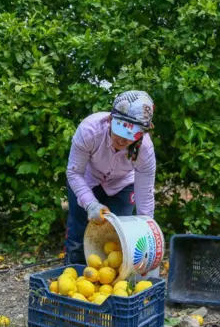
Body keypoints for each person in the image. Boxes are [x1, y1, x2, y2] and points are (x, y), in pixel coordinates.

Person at [64, 90, 157, 265]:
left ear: (143, 133)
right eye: (119, 130)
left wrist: (147, 229)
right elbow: (74, 172)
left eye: (131, 135)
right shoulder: (89, 130)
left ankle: (112, 283)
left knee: (119, 238)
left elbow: (145, 194)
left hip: (122, 184)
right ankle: (72, 272)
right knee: (78, 231)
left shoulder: (145, 150)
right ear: (110, 119)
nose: (122, 140)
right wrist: (90, 204)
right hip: (86, 179)